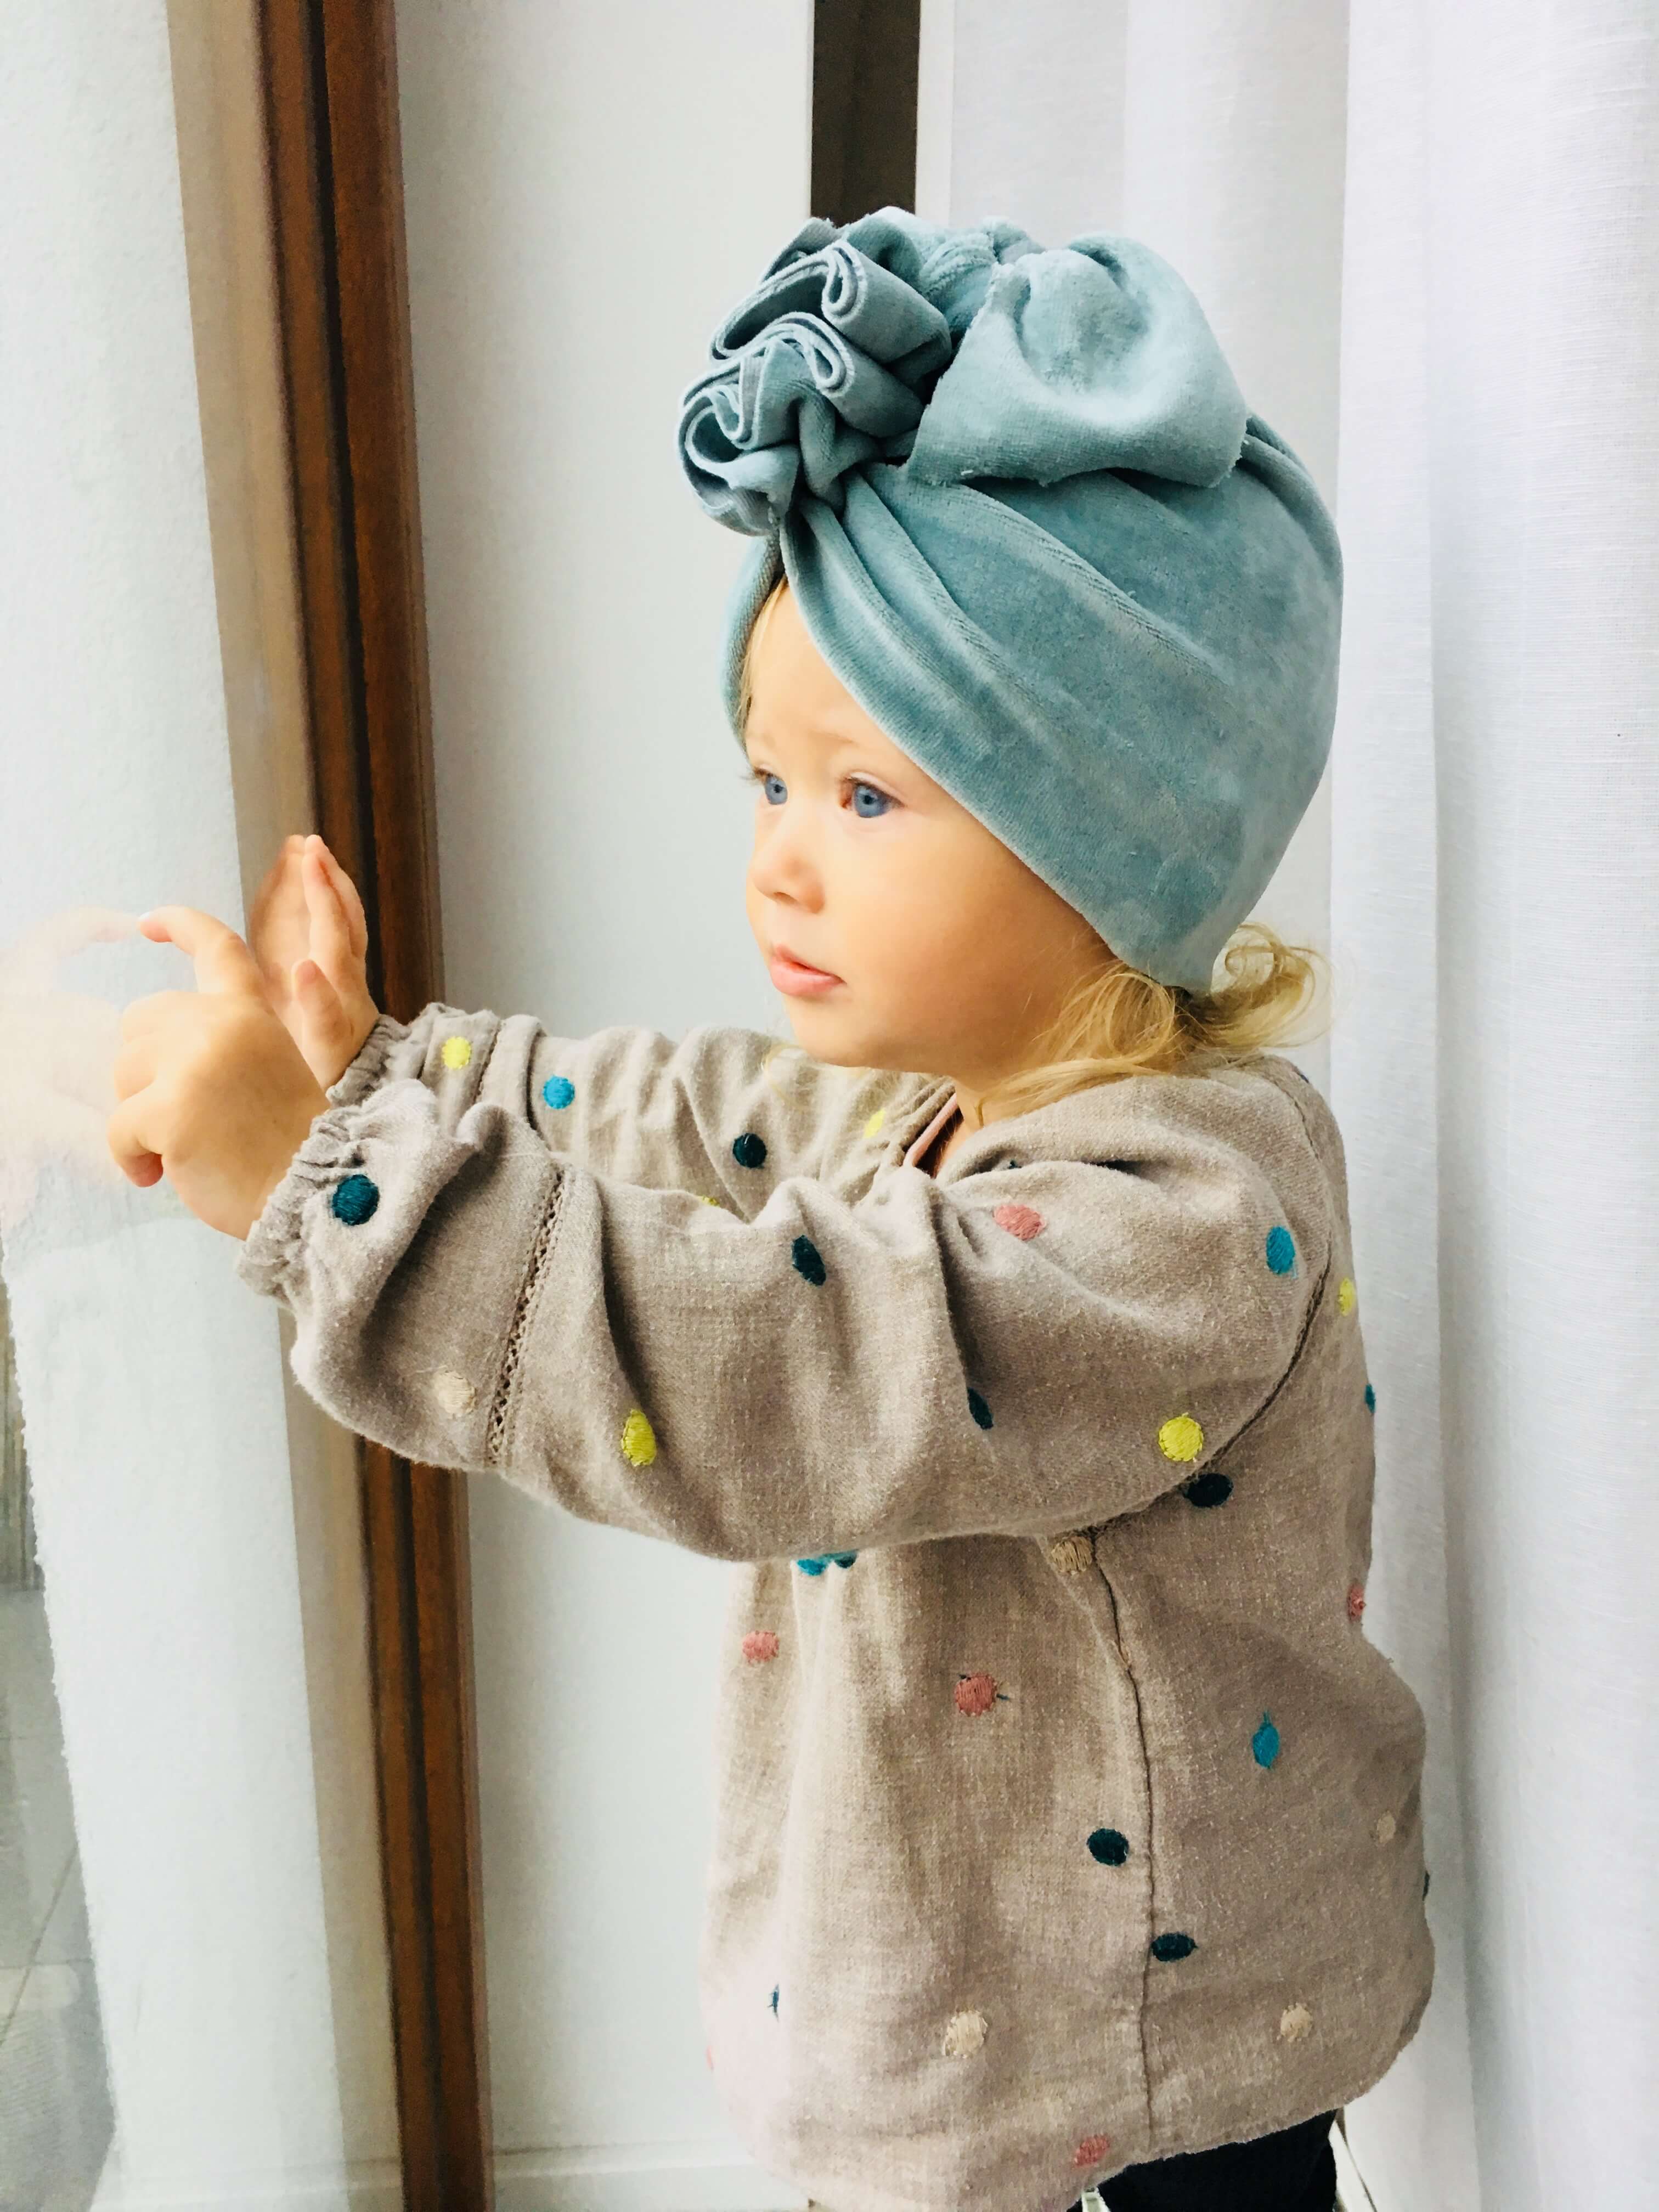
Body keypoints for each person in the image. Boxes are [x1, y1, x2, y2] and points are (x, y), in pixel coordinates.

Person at [106, 208, 1432, 2212]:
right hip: (976, 2057)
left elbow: (792, 1362)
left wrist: (338, 1186)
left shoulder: (1181, 1209)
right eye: (766, 783)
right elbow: (682, 1121)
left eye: (869, 798)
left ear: (1110, 836)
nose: (784, 870)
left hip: (1137, 2111)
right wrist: (385, 1072)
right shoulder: (943, 1104)